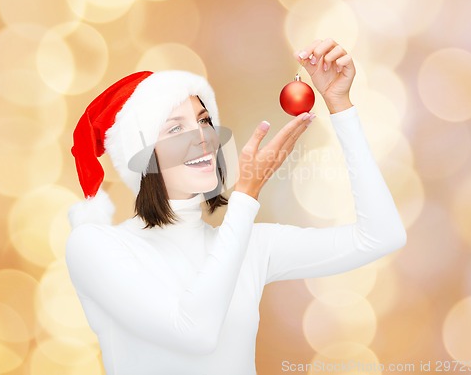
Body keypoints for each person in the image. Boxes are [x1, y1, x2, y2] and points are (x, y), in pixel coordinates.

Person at [66, 39, 407, 375]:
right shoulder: (95, 246)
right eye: (175, 128)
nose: (201, 137)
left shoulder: (248, 245)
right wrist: (245, 197)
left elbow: (381, 236)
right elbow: (194, 333)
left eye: (203, 121)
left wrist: (341, 106)